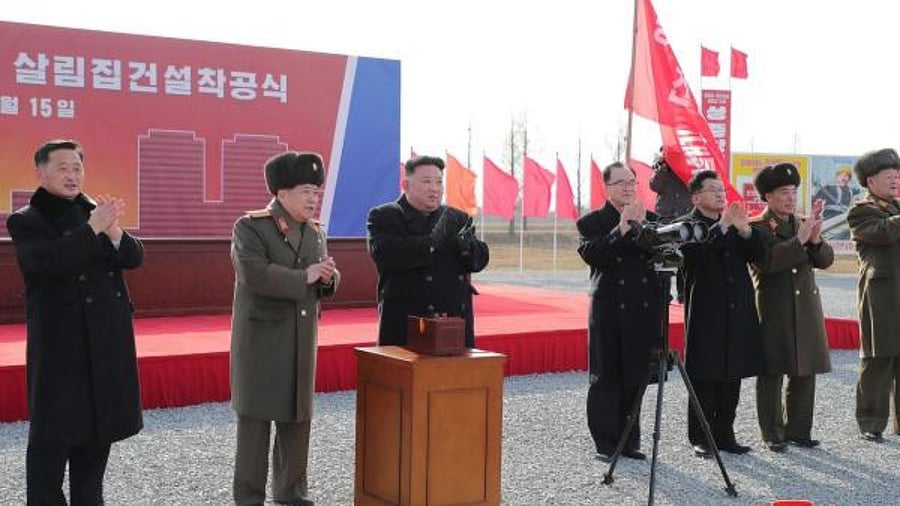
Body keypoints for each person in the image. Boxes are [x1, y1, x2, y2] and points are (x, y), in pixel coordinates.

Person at [6, 139, 144, 505]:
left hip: (105, 339)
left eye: (78, 167)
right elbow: (48, 262)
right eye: (63, 167)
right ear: (41, 172)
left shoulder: (93, 212)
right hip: (61, 345)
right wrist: (92, 228)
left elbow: (134, 258)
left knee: (97, 435)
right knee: (51, 439)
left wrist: (113, 231)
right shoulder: (26, 220)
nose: (73, 175)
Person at [230, 151, 339, 506]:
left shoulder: (315, 231)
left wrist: (327, 277)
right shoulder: (251, 226)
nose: (313, 198)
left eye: (316, 192)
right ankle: (248, 498)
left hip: (301, 338)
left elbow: (322, 275)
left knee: (297, 418)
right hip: (262, 341)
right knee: (255, 423)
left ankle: (291, 493)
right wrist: (305, 276)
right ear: (281, 192)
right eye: (306, 190)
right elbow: (254, 275)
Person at [576, 161, 663, 462]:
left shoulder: (651, 219)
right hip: (609, 310)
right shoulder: (591, 222)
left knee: (635, 375)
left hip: (642, 309)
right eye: (621, 183)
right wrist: (622, 229)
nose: (628, 188)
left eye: (632, 182)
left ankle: (629, 440)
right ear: (606, 188)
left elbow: (663, 255)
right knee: (607, 376)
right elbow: (594, 254)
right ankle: (605, 442)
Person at [677, 170, 765, 458]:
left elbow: (758, 255)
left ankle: (726, 434)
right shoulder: (687, 225)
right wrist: (721, 228)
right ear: (696, 196)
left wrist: (745, 231)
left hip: (737, 309)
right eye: (712, 189)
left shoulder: (734, 222)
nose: (720, 194)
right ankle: (701, 436)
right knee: (705, 374)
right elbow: (694, 257)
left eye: (721, 189)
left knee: (732, 373)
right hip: (706, 310)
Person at [749, 163, 834, 452]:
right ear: (768, 196)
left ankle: (799, 430)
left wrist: (816, 240)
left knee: (804, 368)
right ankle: (772, 432)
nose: (790, 197)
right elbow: (767, 262)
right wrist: (799, 240)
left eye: (793, 191)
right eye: (783, 192)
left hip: (806, 306)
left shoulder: (801, 223)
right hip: (775, 307)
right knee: (772, 370)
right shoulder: (756, 227)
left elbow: (825, 261)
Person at [366, 155, 489, 347]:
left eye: (439, 182)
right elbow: (386, 254)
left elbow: (479, 261)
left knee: (458, 376)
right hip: (407, 325)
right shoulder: (385, 216)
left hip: (453, 323)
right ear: (406, 185)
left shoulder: (455, 217)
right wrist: (434, 239)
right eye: (426, 181)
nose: (434, 188)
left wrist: (468, 248)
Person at [846, 148, 900, 443]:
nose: (895, 180)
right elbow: (881, 233)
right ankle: (870, 421)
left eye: (896, 175)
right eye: (888, 176)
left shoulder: (895, 209)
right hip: (880, 293)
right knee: (878, 357)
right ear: (870, 181)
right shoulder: (861, 210)